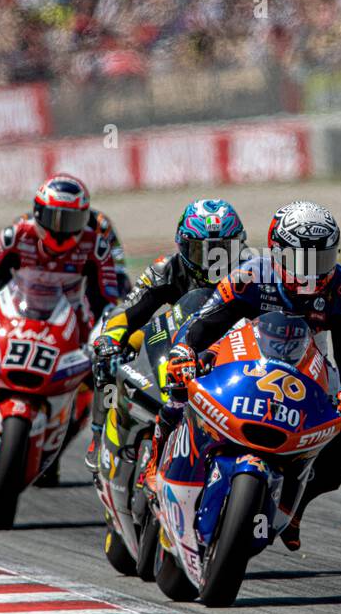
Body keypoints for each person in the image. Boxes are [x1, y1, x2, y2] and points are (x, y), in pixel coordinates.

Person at [150, 200, 341, 550]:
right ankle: (157, 457)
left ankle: (297, 505)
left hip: (305, 372)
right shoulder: (251, 275)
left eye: (322, 259)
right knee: (178, 378)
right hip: (236, 359)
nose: (312, 272)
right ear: (278, 253)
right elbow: (206, 320)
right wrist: (184, 350)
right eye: (301, 260)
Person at [0, 174, 122, 484]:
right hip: (14, 309)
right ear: (38, 213)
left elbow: (107, 301)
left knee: (98, 375)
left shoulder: (96, 246)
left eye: (72, 219)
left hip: (69, 319)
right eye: (54, 218)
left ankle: (69, 442)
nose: (61, 229)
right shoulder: (16, 235)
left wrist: (102, 338)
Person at [85, 198, 248, 469]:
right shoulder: (165, 269)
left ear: (238, 246)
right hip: (172, 333)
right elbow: (128, 311)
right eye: (200, 251)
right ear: (182, 246)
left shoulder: (250, 272)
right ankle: (98, 431)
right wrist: (110, 339)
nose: (210, 262)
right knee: (109, 360)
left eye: (221, 250)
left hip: (230, 343)